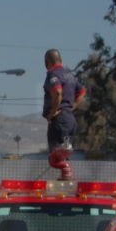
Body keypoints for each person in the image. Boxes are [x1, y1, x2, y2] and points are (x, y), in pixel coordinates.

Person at [42, 49, 86, 180]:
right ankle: (65, 178)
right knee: (64, 154)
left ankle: (66, 171)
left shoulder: (52, 75)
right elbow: (82, 91)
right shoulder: (68, 74)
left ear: (46, 63)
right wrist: (72, 108)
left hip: (59, 121)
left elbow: (57, 93)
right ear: (61, 61)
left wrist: (53, 112)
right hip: (70, 120)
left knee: (53, 157)